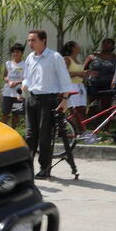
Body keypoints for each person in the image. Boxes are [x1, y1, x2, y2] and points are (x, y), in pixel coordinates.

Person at [22, 29, 75, 180]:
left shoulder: (54, 57)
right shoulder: (30, 58)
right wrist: (25, 85)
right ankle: (27, 167)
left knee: (45, 135)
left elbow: (65, 80)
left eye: (33, 40)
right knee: (30, 135)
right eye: (29, 40)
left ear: (43, 40)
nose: (30, 43)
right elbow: (26, 76)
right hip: (32, 98)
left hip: (48, 99)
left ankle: (44, 168)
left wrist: (65, 99)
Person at [62, 41, 93, 131]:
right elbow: (64, 74)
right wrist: (79, 73)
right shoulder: (67, 59)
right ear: (73, 48)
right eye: (77, 46)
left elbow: (81, 74)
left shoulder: (77, 60)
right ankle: (75, 131)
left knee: (82, 109)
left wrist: (86, 74)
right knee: (74, 110)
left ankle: (82, 130)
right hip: (71, 86)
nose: (79, 47)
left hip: (80, 86)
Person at [83, 38, 116, 115]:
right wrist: (89, 72)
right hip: (93, 85)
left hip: (108, 85)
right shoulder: (93, 56)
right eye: (104, 42)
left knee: (106, 108)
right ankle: (90, 121)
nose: (105, 44)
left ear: (113, 46)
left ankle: (104, 122)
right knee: (92, 106)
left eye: (108, 43)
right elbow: (83, 69)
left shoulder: (115, 57)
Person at [1, 43, 26, 127]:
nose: (15, 54)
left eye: (17, 52)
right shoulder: (8, 63)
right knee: (5, 113)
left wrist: (17, 82)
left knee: (16, 113)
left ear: (22, 53)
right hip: (7, 92)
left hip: (18, 93)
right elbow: (4, 76)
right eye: (13, 52)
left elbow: (26, 79)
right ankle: (3, 130)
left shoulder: (25, 65)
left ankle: (13, 130)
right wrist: (8, 82)